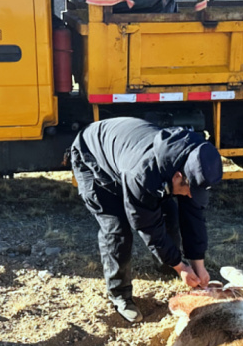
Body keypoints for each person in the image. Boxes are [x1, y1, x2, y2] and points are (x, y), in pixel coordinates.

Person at [69, 117, 223, 323]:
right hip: (93, 156)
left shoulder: (195, 159)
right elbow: (146, 224)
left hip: (127, 153)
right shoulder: (141, 173)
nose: (189, 195)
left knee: (171, 212)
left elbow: (193, 215)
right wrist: (181, 267)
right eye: (188, 190)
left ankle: (167, 265)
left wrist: (198, 264)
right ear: (178, 176)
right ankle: (120, 295)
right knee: (117, 229)